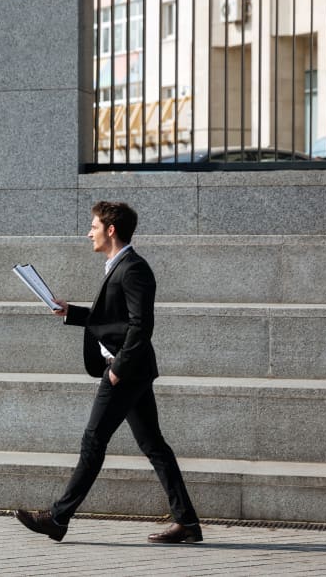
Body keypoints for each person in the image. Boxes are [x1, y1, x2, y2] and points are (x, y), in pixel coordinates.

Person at [13, 201, 202, 544]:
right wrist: (71, 312)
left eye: (94, 226)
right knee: (154, 446)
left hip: (124, 371)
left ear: (111, 230)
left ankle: (58, 517)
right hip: (130, 371)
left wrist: (118, 370)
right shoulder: (118, 265)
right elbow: (114, 320)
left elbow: (141, 326)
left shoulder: (134, 268)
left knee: (93, 441)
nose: (89, 232)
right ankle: (187, 522)